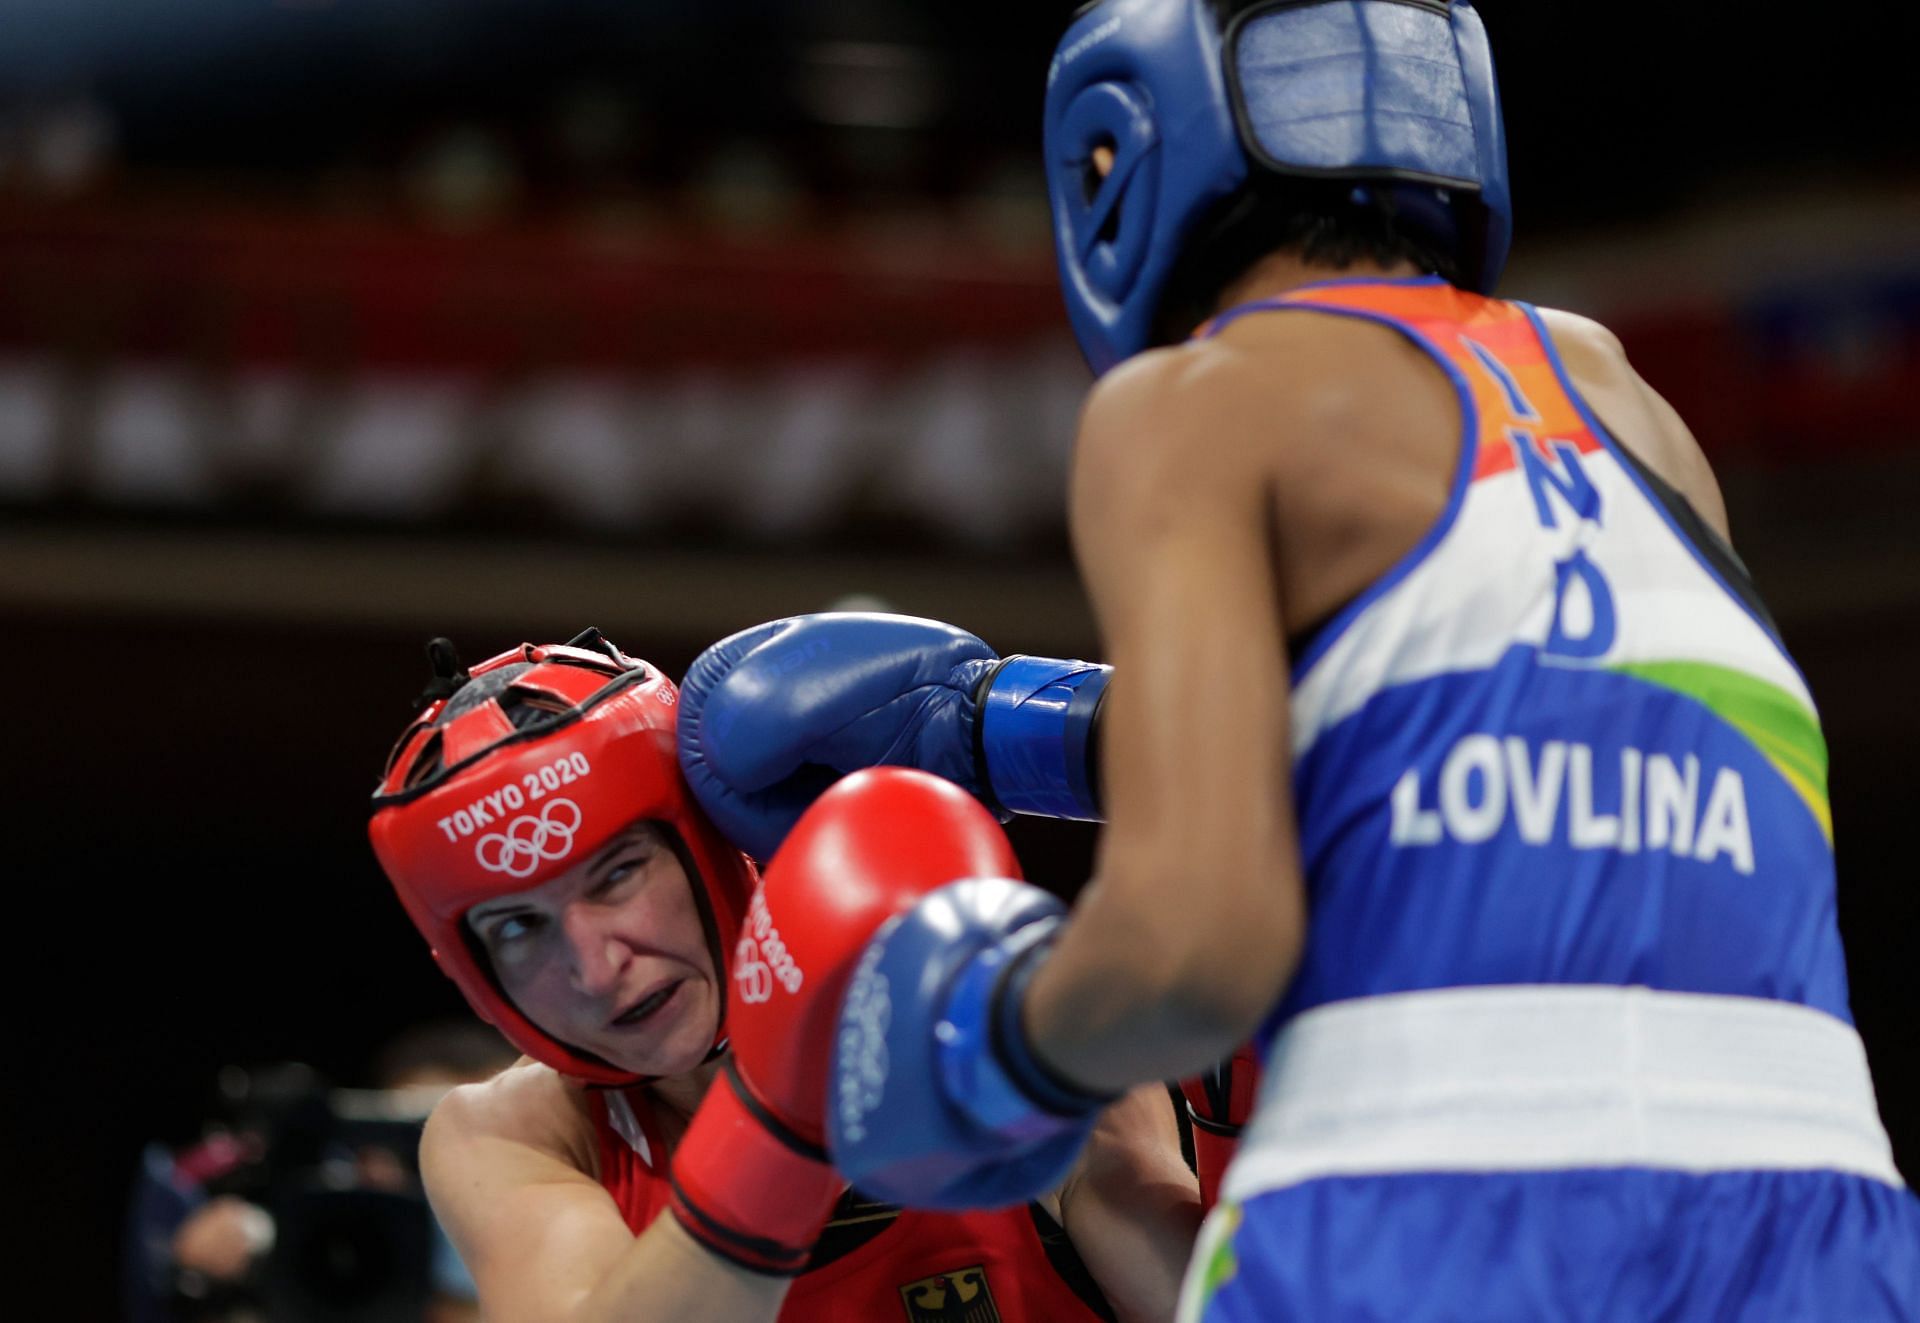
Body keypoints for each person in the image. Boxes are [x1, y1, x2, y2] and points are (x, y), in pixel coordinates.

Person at [670, 1, 1920, 1318]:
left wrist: (991, 1034)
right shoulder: (1626, 399)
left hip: (1441, 1199)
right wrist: (1002, 727)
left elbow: (1196, 951)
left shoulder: (1196, 400)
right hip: (1821, 1210)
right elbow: (1546, 731)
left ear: (1122, 160)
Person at [366, 630, 1199, 1323]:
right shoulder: (513, 1133)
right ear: (471, 969)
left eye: (617, 875)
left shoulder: (978, 1010)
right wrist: (784, 1108)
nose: (593, 964)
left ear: (710, 844)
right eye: (518, 925)